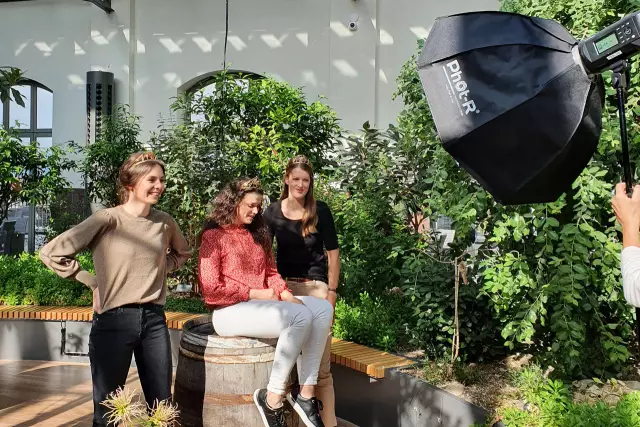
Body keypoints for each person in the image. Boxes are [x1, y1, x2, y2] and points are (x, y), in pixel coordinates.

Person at [39, 151, 191, 426]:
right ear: (131, 184)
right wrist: (92, 281)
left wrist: (160, 269)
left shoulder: (164, 222)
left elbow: (182, 253)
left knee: (163, 409)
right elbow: (51, 253)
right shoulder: (107, 220)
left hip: (154, 322)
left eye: (162, 180)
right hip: (113, 321)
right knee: (108, 412)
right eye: (152, 179)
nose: (159, 186)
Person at [198, 177, 333, 427]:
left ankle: (305, 393)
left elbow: (271, 273)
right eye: (250, 205)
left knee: (321, 308)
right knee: (299, 317)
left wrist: (287, 296)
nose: (256, 211)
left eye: (259, 206)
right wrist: (253, 293)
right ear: (233, 203)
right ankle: (272, 399)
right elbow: (210, 289)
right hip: (228, 312)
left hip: (260, 308)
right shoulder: (213, 236)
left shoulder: (258, 234)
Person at [263, 155, 340, 427]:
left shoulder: (321, 210)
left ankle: (328, 424)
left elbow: (333, 254)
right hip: (285, 290)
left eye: (305, 180)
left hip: (316, 288)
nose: (300, 184)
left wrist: (331, 294)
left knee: (320, 367)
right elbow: (264, 254)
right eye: (295, 179)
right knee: (284, 358)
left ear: (311, 182)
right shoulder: (272, 212)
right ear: (286, 179)